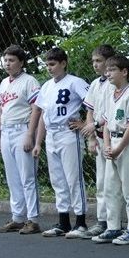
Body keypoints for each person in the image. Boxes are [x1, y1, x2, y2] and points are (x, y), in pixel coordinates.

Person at [31, 47, 91, 238]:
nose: (49, 68)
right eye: (47, 64)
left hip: (68, 133)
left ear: (63, 63)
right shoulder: (47, 86)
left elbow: (93, 102)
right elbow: (43, 114)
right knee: (57, 180)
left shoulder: (75, 82)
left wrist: (85, 123)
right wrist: (38, 143)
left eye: (53, 64)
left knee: (74, 178)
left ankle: (81, 222)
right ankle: (63, 222)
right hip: (52, 135)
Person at [92, 54, 129, 245]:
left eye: (112, 70)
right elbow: (106, 123)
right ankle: (113, 226)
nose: (108, 73)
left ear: (124, 72)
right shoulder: (110, 93)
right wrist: (107, 146)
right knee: (110, 188)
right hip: (111, 142)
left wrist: (119, 148)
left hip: (127, 143)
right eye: (107, 70)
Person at [0, 44, 42, 235]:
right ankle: (18, 218)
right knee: (13, 178)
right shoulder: (4, 83)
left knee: (27, 177)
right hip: (6, 131)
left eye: (12, 60)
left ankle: (33, 219)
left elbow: (36, 108)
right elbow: (1, 110)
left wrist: (30, 134)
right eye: (5, 60)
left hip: (23, 129)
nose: (7, 63)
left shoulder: (29, 81)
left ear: (21, 62)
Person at [80, 44, 116, 238]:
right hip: (100, 137)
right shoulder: (95, 83)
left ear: (109, 62)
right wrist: (91, 139)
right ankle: (102, 221)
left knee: (113, 183)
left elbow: (111, 114)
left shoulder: (115, 83)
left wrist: (94, 125)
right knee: (101, 182)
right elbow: (90, 111)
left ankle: (115, 222)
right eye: (93, 61)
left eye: (99, 61)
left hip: (114, 138)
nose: (95, 64)